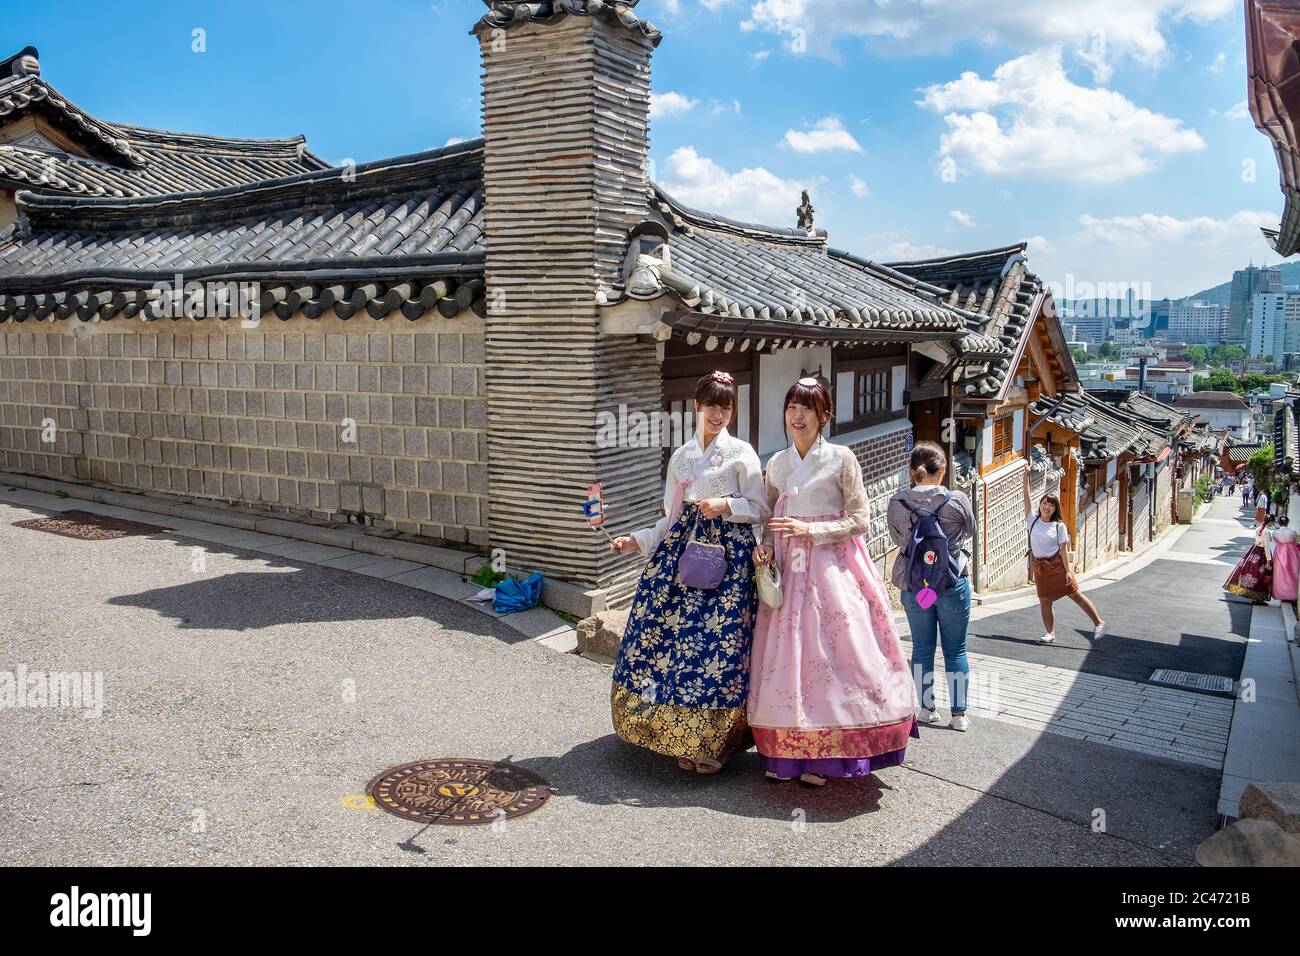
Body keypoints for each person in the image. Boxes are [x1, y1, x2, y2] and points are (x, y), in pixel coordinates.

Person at [748, 378, 917, 786]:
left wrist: (813, 532)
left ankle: (826, 757)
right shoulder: (776, 463)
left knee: (829, 653)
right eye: (791, 407)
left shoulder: (842, 459)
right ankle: (785, 752)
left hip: (831, 567)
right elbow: (767, 517)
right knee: (786, 657)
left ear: (825, 415)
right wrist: (766, 545)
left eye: (807, 408)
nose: (797, 416)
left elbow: (860, 519)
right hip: (789, 568)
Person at [608, 371, 768, 774]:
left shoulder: (742, 453)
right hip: (683, 557)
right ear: (697, 405)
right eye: (712, 405)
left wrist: (727, 506)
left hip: (730, 564)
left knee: (720, 648)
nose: (719, 413)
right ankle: (675, 732)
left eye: (726, 406)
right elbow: (670, 518)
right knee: (674, 645)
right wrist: (636, 541)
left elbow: (762, 508)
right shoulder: (681, 457)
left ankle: (714, 743)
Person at [888, 441, 978, 732]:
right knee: (956, 650)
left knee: (922, 648)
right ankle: (959, 714)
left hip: (914, 584)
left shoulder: (897, 503)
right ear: (943, 471)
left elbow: (896, 539)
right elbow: (971, 530)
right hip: (952, 580)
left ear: (913, 471)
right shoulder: (957, 500)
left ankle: (927, 708)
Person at [1024, 490, 1106, 644]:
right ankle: (1050, 633)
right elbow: (1026, 497)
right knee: (1045, 600)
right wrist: (1025, 476)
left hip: (1057, 566)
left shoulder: (1058, 526)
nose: (1047, 507)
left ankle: (1099, 623)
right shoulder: (1032, 520)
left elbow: (1064, 550)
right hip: (1040, 567)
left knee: (1075, 595)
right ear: (1040, 505)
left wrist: (1068, 571)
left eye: (1051, 505)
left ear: (1055, 509)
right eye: (1044, 503)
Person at [1225, 515, 1276, 604]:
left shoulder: (1258, 529)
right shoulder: (1267, 532)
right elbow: (1267, 547)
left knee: (1254, 574)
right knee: (1262, 576)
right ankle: (1259, 598)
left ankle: (1253, 597)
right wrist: (1268, 561)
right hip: (1262, 553)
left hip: (1254, 551)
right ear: (1271, 522)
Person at [1267, 516, 1298, 604]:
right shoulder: (1293, 532)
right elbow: (1295, 542)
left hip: (1279, 553)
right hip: (1292, 553)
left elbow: (1275, 542)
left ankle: (1281, 593)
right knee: (1292, 573)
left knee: (1279, 574)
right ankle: (1292, 594)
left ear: (1279, 522)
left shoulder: (1275, 532)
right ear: (1287, 522)